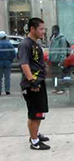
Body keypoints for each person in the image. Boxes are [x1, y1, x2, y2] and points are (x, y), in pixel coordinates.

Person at [18, 17, 50, 150]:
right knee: (34, 113)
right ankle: (34, 141)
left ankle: (35, 134)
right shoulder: (25, 44)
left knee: (39, 111)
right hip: (32, 84)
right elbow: (24, 64)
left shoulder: (35, 43)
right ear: (32, 29)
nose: (43, 32)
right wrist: (32, 82)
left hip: (39, 82)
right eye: (41, 29)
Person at [49, 25, 68, 94]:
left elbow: (63, 50)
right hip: (53, 59)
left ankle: (62, 88)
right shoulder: (53, 37)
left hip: (58, 60)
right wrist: (50, 57)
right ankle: (56, 88)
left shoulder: (62, 39)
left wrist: (62, 60)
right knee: (54, 75)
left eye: (53, 30)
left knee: (59, 75)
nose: (52, 31)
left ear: (56, 30)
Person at [0, 31, 16, 95]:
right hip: (7, 62)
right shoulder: (9, 44)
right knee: (7, 77)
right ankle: (7, 91)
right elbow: (13, 54)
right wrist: (10, 60)